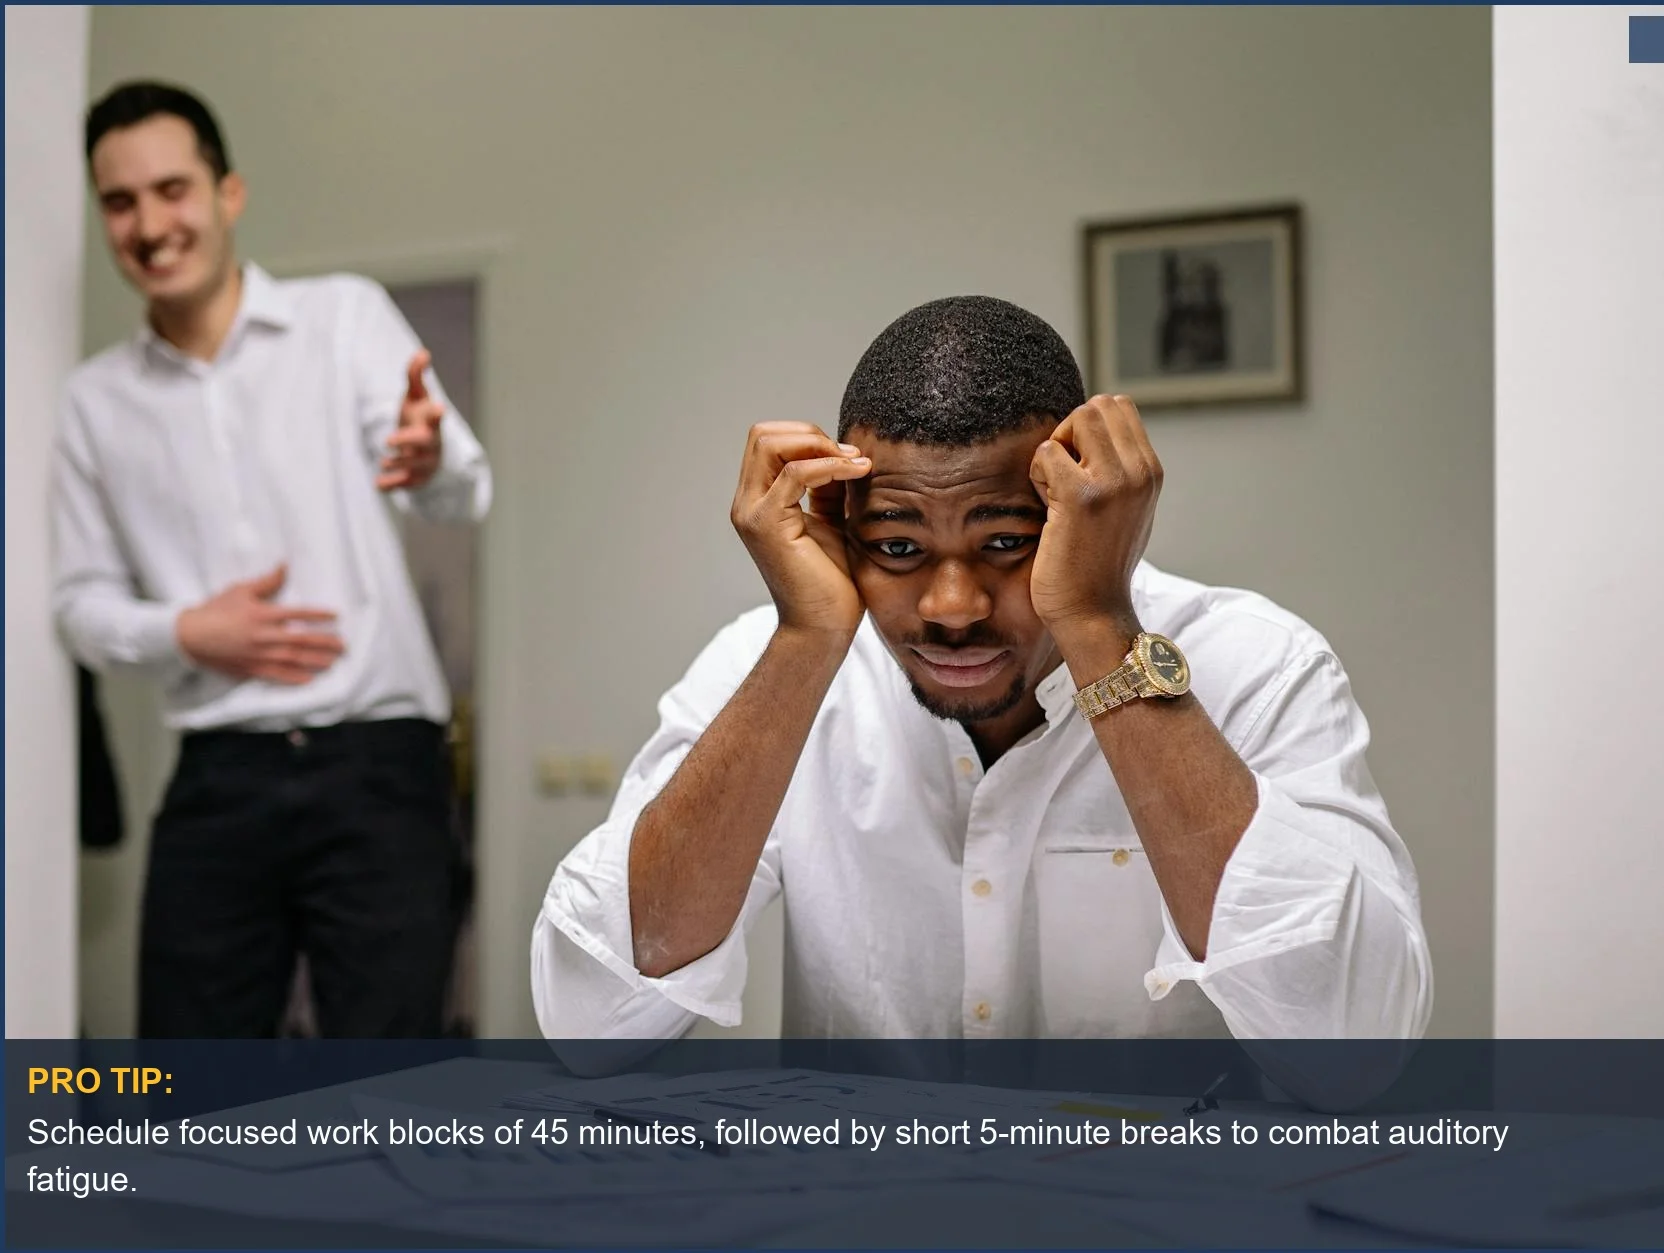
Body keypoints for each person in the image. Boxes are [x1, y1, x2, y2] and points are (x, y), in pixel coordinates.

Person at [533, 296, 1428, 1050]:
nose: (951, 605)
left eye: (1005, 541)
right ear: (842, 526)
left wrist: (1097, 624)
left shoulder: (1256, 667)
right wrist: (807, 641)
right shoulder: (772, 665)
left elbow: (1354, 1045)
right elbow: (590, 1022)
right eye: (898, 546)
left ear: (1084, 511)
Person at [54, 81, 493, 1037]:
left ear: (227, 192)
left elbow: (465, 490)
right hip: (218, 780)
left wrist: (431, 460)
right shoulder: (91, 402)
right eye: (119, 202)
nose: (149, 223)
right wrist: (186, 631)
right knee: (185, 1102)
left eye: (172, 188)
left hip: (381, 769)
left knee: (389, 1098)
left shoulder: (345, 320)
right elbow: (79, 605)